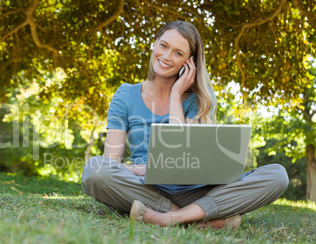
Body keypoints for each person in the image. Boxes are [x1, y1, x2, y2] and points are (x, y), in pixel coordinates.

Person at [82, 21, 288, 229]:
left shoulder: (201, 98)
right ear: (154, 44)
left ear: (189, 62)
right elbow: (111, 162)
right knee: (95, 170)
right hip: (146, 188)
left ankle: (167, 218)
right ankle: (194, 220)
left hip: (195, 191)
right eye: (163, 46)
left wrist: (176, 95)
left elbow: (181, 160)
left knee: (277, 175)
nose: (166, 56)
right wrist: (146, 169)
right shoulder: (125, 95)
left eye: (178, 53)